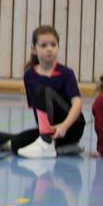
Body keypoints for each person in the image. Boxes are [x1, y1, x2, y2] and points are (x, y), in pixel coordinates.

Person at [15, 26, 85, 159]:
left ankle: (50, 143)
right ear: (34, 49)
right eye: (44, 45)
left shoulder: (66, 73)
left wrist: (64, 126)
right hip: (50, 129)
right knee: (17, 144)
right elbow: (37, 110)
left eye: (53, 45)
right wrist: (44, 131)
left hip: (71, 127)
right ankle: (61, 147)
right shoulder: (29, 75)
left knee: (42, 90)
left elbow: (77, 104)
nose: (49, 49)